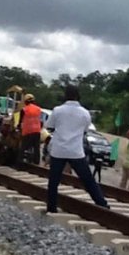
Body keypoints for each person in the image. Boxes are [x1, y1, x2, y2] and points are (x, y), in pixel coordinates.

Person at [46, 85, 109, 213]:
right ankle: (101, 203)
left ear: (65, 95)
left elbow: (49, 126)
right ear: (77, 96)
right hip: (75, 151)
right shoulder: (85, 113)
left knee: (54, 181)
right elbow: (86, 129)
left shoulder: (57, 110)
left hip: (59, 150)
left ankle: (51, 207)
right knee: (88, 180)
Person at [17, 94, 43, 165]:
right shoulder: (38, 109)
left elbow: (20, 121)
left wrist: (18, 127)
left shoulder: (24, 109)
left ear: (25, 102)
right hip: (37, 131)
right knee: (36, 148)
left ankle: (20, 164)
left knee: (23, 148)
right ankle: (36, 162)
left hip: (28, 131)